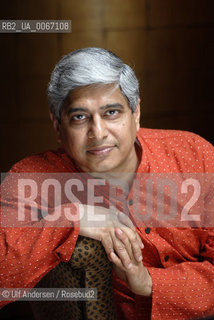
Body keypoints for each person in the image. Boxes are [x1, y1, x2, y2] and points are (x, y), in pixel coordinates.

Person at [0, 47, 213, 319]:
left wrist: (150, 283)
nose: (97, 133)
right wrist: (71, 217)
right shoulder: (33, 179)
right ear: (57, 126)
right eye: (79, 117)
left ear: (135, 114)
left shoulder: (194, 154)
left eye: (111, 112)